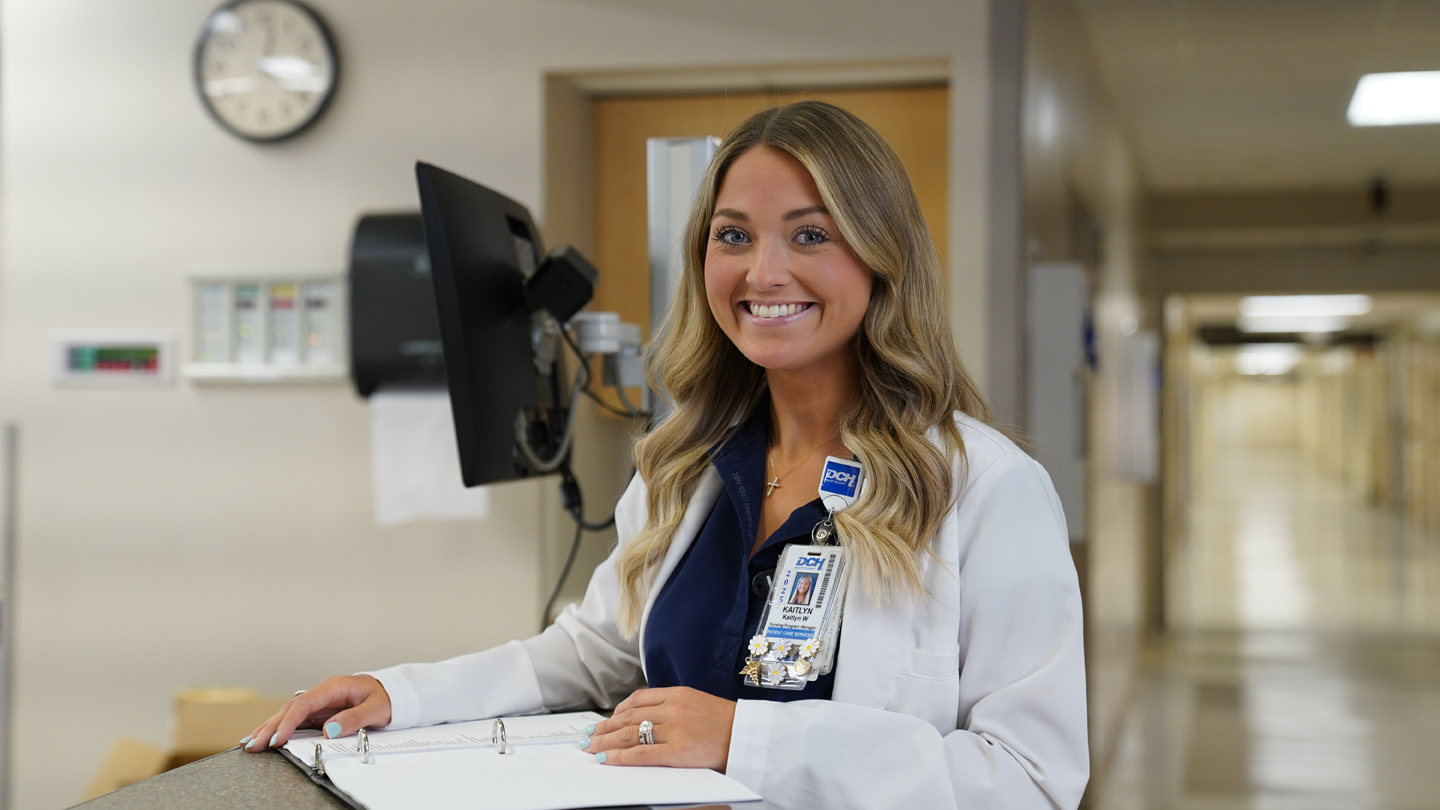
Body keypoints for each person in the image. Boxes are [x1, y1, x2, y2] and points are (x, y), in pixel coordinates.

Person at [244, 100, 1089, 809]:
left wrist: (746, 743)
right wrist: (404, 696)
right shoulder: (687, 468)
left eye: (810, 235)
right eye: (733, 236)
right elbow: (593, 652)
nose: (764, 271)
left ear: (882, 257)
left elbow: (1030, 779)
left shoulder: (983, 489)